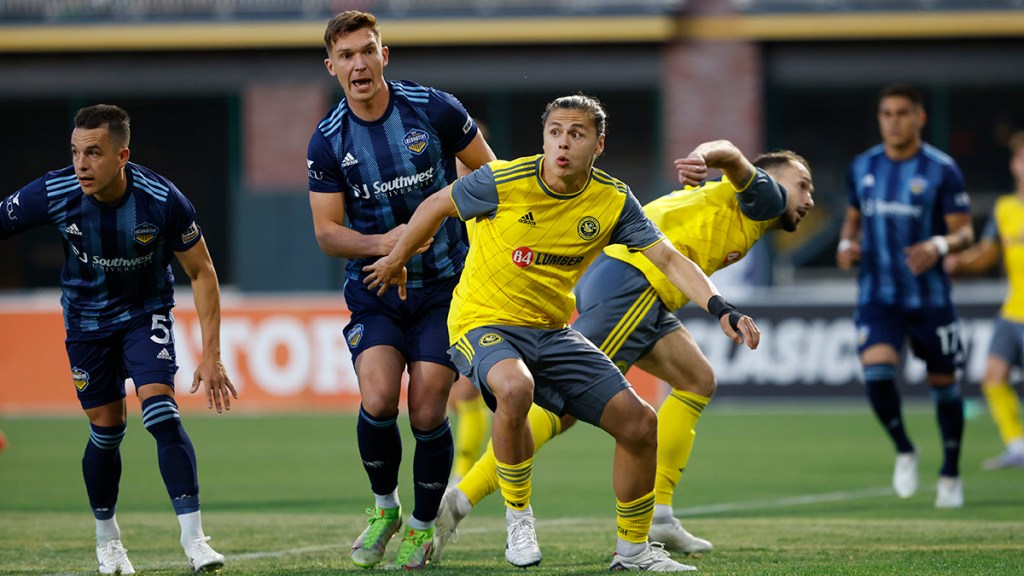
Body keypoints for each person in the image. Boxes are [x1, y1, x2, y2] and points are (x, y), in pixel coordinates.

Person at [364, 94, 760, 571]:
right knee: (515, 388)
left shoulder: (612, 200)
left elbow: (669, 259)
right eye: (555, 132)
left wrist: (721, 307)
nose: (563, 143)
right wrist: (395, 258)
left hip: (551, 331)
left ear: (599, 144)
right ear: (544, 139)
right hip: (481, 321)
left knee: (639, 424)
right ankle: (519, 518)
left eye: (577, 134)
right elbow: (435, 204)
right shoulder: (504, 180)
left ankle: (633, 551)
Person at [431, 140, 815, 561]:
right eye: (803, 185)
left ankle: (661, 515)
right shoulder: (766, 197)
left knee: (697, 379)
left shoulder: (742, 209)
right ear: (774, 181)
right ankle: (462, 497)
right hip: (634, 283)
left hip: (646, 291)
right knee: (567, 405)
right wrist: (706, 158)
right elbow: (732, 154)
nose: (809, 199)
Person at [0, 104, 236, 574]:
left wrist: (212, 356)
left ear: (122, 155)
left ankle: (195, 541)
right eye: (75, 153)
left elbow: (203, 272)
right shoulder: (54, 191)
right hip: (86, 324)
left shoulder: (162, 200)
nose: (81, 164)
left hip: (144, 313)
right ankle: (108, 540)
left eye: (93, 153)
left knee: (162, 414)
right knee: (107, 433)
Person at [306, 10, 495, 570]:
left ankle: (420, 526)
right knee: (379, 398)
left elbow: (489, 175)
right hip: (376, 289)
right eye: (346, 55)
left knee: (429, 407)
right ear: (332, 67)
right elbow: (327, 234)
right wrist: (388, 247)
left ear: (384, 54)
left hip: (443, 286)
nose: (358, 63)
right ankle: (384, 509)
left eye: (367, 50)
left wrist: (426, 235)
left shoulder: (435, 109)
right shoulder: (327, 141)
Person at [837, 84, 974, 509]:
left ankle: (950, 470)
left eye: (901, 113)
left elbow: (965, 231)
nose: (893, 121)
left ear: (919, 118)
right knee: (877, 373)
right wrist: (846, 247)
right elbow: (851, 224)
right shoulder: (863, 168)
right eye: (886, 113)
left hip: (931, 298)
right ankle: (904, 447)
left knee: (944, 386)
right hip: (879, 295)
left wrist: (939, 245)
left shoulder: (941, 169)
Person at [945, 130, 1024, 470]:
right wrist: (960, 262)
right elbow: (988, 253)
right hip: (1012, 311)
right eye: (1022, 157)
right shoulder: (1005, 208)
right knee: (993, 376)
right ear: (1014, 164)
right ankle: (1018, 447)